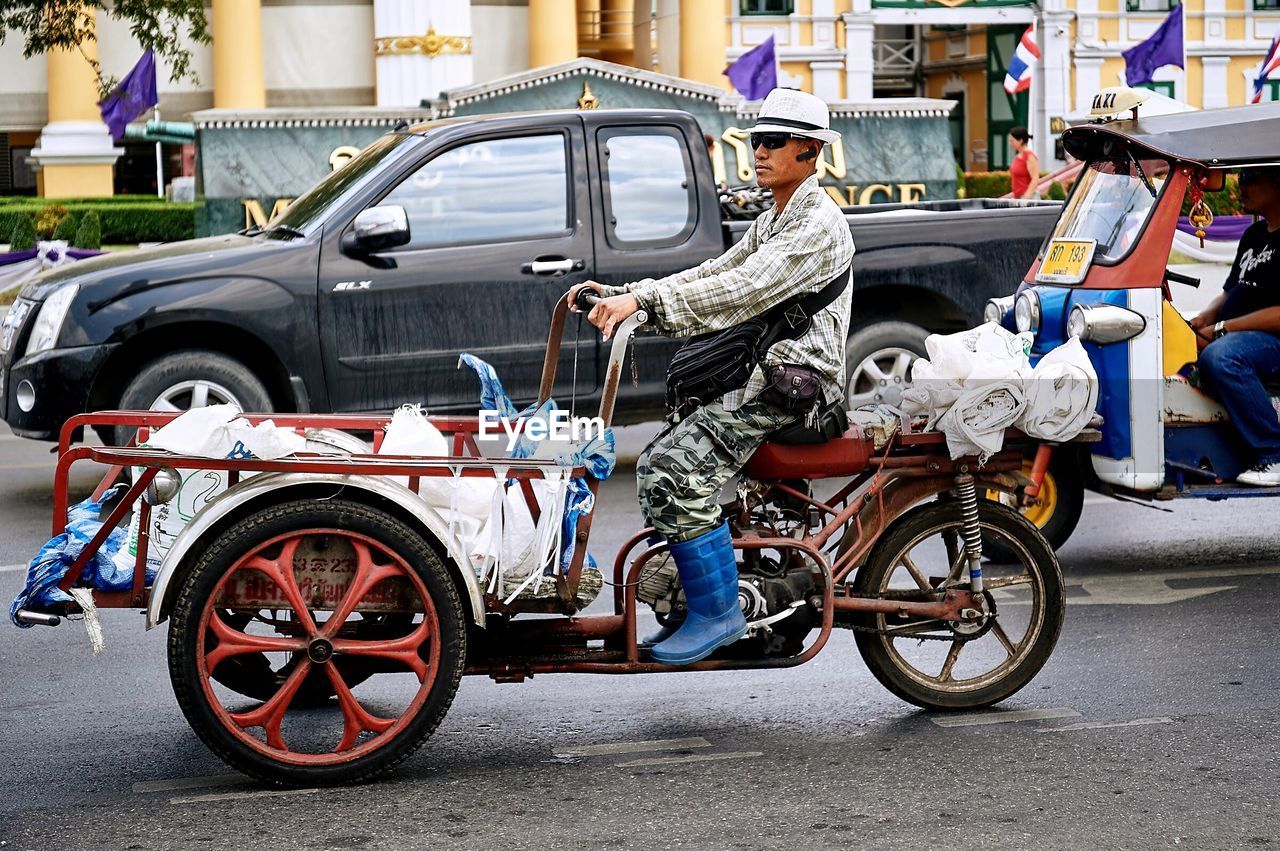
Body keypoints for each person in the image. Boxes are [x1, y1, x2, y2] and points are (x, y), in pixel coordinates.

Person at [568, 88, 856, 665]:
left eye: (774, 142)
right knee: (656, 460)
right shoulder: (776, 216)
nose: (760, 151)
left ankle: (719, 612)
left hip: (796, 388)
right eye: (757, 140)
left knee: (673, 472)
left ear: (810, 151)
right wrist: (635, 296)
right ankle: (706, 590)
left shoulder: (816, 225)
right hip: (764, 376)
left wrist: (644, 305)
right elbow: (716, 269)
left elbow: (739, 292)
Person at [1190, 166, 1280, 485]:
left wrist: (1223, 329)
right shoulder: (1253, 235)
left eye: (1249, 178)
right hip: (1242, 335)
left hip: (1271, 342)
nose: (1240, 185)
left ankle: (1274, 453)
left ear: (1277, 182)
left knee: (1222, 357)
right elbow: (1231, 290)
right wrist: (1202, 319)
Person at [1008, 126, 1039, 200]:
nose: (1010, 144)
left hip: (1028, 198)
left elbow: (1035, 178)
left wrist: (1026, 198)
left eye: (1012, 141)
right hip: (1018, 198)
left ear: (1020, 141)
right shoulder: (1017, 157)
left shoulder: (1029, 157)